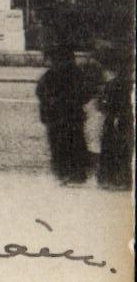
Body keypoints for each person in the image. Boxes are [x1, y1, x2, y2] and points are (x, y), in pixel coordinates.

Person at [35, 44, 97, 184]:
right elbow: (87, 93)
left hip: (58, 117)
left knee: (60, 145)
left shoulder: (50, 76)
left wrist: (51, 105)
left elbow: (41, 93)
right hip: (70, 116)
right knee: (73, 143)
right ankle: (75, 173)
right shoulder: (75, 74)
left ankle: (64, 173)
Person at [96, 53, 134, 191]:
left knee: (112, 149)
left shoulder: (112, 85)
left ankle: (110, 178)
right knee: (122, 150)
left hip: (114, 122)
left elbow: (101, 105)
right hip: (122, 121)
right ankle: (120, 178)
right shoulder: (124, 85)